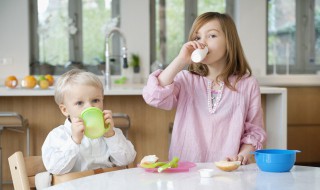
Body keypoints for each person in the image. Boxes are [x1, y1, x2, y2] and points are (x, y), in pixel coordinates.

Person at [143, 12, 266, 164]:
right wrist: (180, 60)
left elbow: (254, 130)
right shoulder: (186, 80)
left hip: (227, 171)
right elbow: (153, 97)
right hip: (186, 170)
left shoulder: (248, 84)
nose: (203, 43)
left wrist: (243, 154)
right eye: (197, 37)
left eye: (212, 36)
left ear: (229, 41)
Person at [42, 69, 136, 174]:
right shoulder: (58, 135)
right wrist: (74, 140)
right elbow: (55, 169)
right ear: (65, 110)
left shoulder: (110, 132)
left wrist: (111, 135)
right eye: (79, 103)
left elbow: (127, 159)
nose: (90, 107)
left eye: (95, 100)